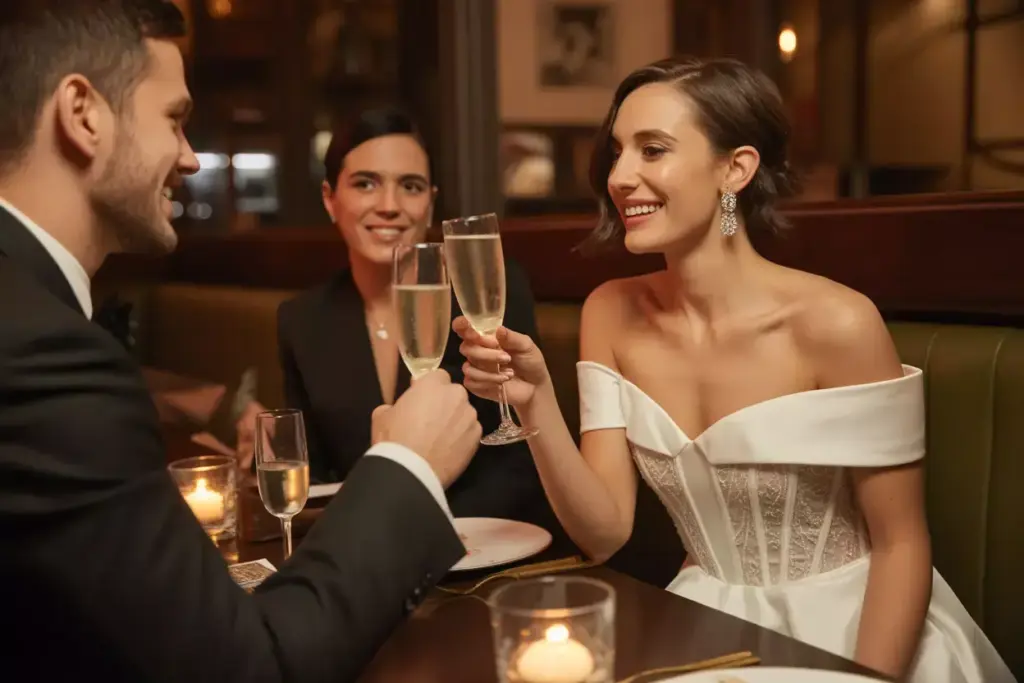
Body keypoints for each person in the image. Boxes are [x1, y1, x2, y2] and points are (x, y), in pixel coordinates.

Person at [455, 57, 1014, 683]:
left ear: (735, 169)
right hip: (704, 625)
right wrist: (535, 407)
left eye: (653, 149)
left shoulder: (839, 324)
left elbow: (902, 546)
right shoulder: (610, 312)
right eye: (617, 152)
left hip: (859, 633)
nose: (619, 176)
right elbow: (604, 534)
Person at [0, 2, 482, 681]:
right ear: (83, 113)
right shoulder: (46, 354)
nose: (192, 156)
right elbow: (248, 667)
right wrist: (408, 460)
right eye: (174, 118)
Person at [251, 106, 551, 527]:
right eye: (366, 184)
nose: (389, 205)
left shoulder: (484, 293)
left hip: (490, 545)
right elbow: (314, 476)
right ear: (329, 199)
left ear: (430, 204)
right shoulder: (303, 321)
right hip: (371, 556)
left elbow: (523, 463)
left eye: (409, 186)